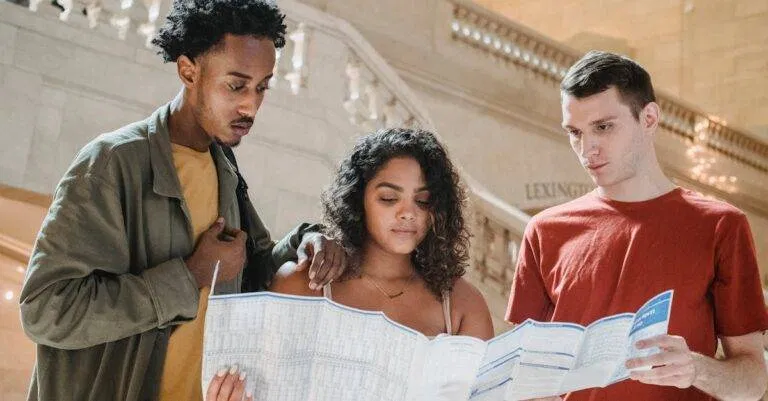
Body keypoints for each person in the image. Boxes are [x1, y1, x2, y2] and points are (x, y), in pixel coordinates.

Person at [18, 1, 346, 400]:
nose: (252, 105)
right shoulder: (111, 164)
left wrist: (307, 242)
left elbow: (253, 266)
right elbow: (46, 310)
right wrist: (189, 275)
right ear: (189, 71)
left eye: (262, 86)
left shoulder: (223, 165)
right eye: (236, 85)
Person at [507, 50, 768, 401]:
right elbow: (524, 375)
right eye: (575, 132)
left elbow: (753, 382)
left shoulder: (721, 226)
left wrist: (695, 368)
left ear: (648, 118)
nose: (587, 150)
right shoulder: (544, 231)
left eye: (603, 127)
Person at [273, 128, 493, 339]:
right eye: (389, 198)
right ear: (357, 200)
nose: (408, 213)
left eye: (422, 201)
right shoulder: (302, 285)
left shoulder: (463, 305)